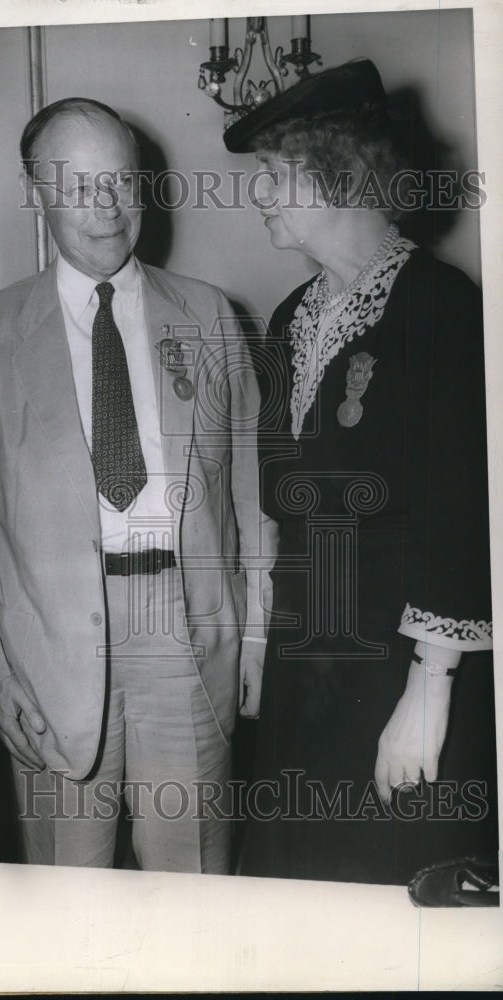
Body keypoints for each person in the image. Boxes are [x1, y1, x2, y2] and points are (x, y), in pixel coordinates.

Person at [0, 97, 270, 873]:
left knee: (193, 891)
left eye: (122, 181)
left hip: (188, 634)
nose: (109, 207)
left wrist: (257, 631)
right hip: (47, 649)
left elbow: (253, 489)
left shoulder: (211, 314)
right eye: (80, 186)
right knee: (66, 896)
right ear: (38, 195)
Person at [223, 59, 497, 884]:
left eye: (273, 175)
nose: (258, 195)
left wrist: (429, 694)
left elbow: (462, 515)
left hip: (401, 666)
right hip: (308, 662)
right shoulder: (290, 316)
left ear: (339, 174)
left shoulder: (442, 308)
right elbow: (280, 504)